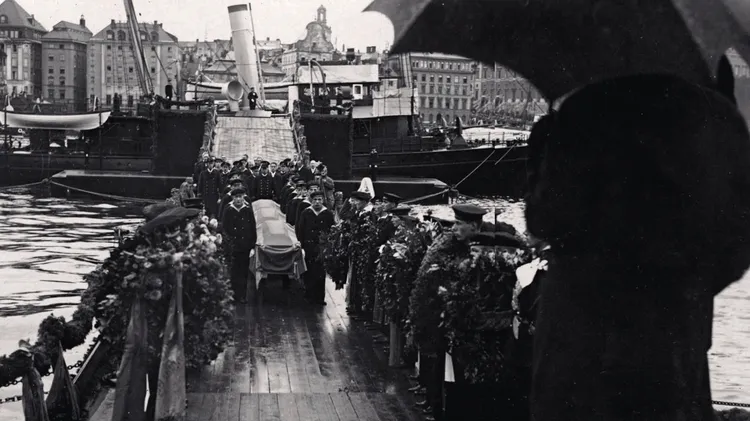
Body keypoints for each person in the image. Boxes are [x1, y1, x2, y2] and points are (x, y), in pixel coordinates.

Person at [410, 203, 486, 421]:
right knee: (447, 374)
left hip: (471, 328)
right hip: (447, 323)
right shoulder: (447, 249)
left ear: (474, 226)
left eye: (459, 224)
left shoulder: (485, 250)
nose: (453, 228)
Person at [296, 190, 335, 305]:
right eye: (315, 200)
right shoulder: (306, 212)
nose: (317, 202)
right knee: (309, 270)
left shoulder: (327, 214)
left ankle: (320, 297)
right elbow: (300, 229)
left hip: (322, 247)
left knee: (320, 272)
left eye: (319, 200)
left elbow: (332, 230)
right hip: (308, 246)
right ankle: (309, 295)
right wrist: (301, 244)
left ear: (323, 201)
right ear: (311, 201)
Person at [221, 187, 257, 304]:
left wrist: (252, 245)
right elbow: (224, 228)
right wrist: (228, 243)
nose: (238, 199)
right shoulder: (228, 210)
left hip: (245, 245)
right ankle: (232, 294)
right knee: (233, 271)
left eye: (240, 197)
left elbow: (253, 228)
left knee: (244, 271)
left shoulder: (247, 210)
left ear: (243, 198)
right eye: (236, 197)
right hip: (233, 246)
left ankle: (242, 295)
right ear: (232, 198)